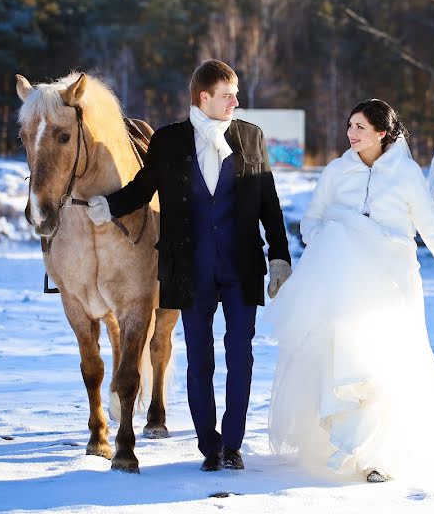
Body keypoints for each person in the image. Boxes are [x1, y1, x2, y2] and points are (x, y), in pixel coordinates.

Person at [268, 99, 434, 483]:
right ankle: (344, 447)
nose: (351, 134)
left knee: (385, 363)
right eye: (349, 125)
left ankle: (380, 456)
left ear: (382, 133)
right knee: (346, 364)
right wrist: (331, 236)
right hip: (342, 286)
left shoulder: (406, 174)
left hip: (391, 284)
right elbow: (311, 222)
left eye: (360, 127)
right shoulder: (336, 171)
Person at [86, 59, 292, 472]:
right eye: (227, 94)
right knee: (200, 359)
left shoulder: (251, 138)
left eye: (235, 93)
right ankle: (208, 445)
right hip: (188, 270)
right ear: (204, 97)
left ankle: (232, 444)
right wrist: (107, 207)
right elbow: (143, 189)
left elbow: (268, 201)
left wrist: (279, 255)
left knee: (241, 355)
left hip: (241, 268)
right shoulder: (168, 141)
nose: (236, 100)